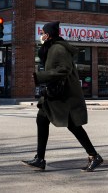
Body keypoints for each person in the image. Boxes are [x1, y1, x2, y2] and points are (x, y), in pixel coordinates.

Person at [23, 21, 103, 172]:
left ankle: (94, 156)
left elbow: (64, 70)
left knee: (74, 126)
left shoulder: (58, 48)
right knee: (41, 119)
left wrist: (40, 76)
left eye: (43, 33)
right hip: (53, 94)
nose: (41, 35)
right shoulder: (50, 48)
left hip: (65, 95)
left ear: (49, 34)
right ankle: (40, 159)